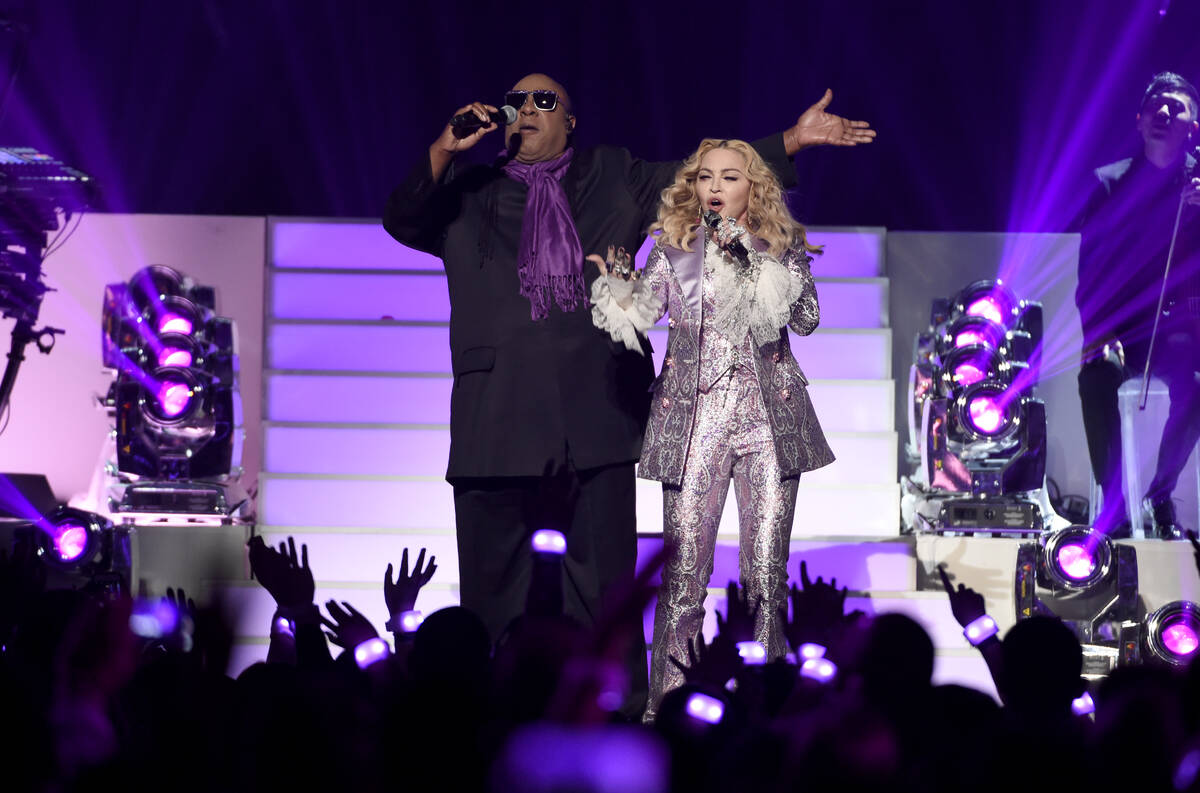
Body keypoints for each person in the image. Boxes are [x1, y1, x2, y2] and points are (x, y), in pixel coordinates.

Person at [382, 73, 873, 717]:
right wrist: (447, 148)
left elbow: (699, 173)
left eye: (545, 101)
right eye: (517, 102)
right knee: (494, 595)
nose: (526, 110)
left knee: (607, 600)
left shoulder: (610, 176)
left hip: (594, 421)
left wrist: (790, 141)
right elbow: (403, 218)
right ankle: (487, 728)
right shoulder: (469, 190)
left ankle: (628, 724)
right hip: (494, 422)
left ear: (571, 120)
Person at [588, 138, 835, 717]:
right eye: (705, 177)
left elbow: (807, 320)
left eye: (730, 177)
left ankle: (765, 704)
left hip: (768, 423)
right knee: (683, 578)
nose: (716, 188)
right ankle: (667, 708)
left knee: (766, 576)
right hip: (695, 421)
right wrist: (621, 282)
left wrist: (759, 257)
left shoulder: (781, 246)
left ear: (755, 186)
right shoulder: (673, 249)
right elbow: (636, 315)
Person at [1075, 71, 1200, 539]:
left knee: (1197, 386)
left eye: (1178, 107)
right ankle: (1116, 506)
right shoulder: (1109, 184)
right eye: (1156, 106)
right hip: (1123, 330)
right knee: (1095, 375)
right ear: (1140, 120)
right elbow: (1090, 272)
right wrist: (1098, 332)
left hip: (1184, 331)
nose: (1165, 113)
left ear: (1195, 126)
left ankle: (1161, 493)